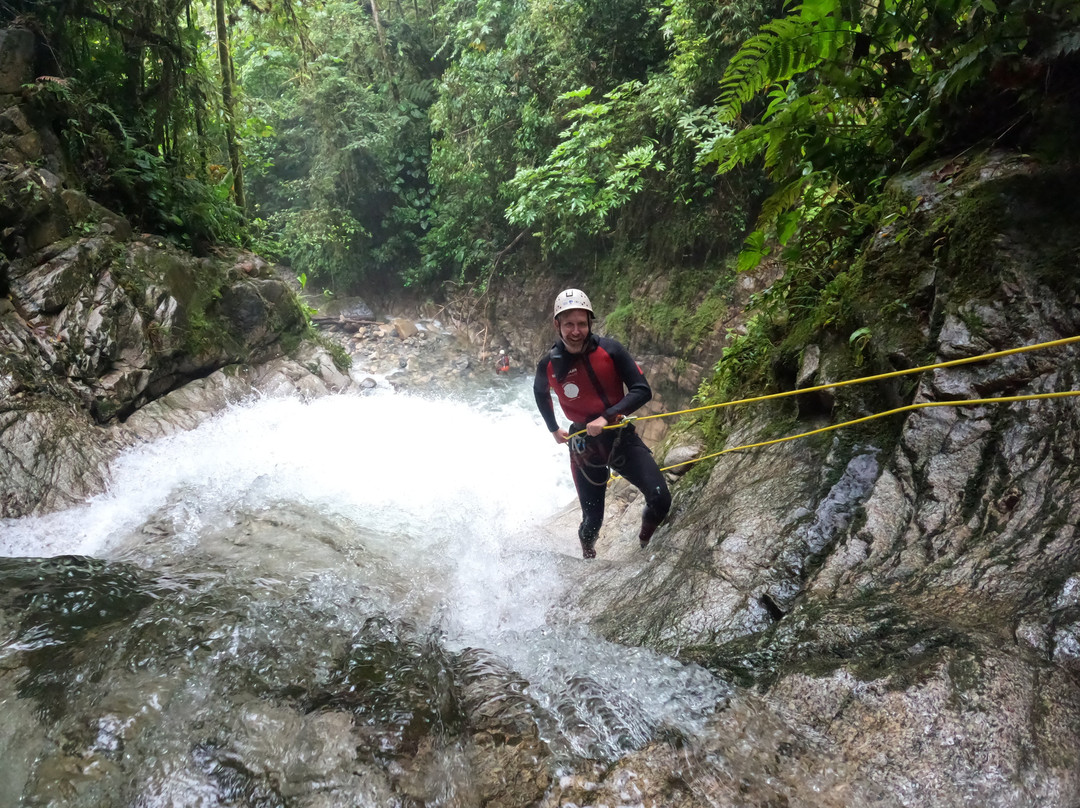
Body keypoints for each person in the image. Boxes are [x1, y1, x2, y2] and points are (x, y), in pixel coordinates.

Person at [534, 288, 671, 559]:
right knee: (592, 521)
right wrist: (553, 428)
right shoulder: (548, 364)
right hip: (584, 445)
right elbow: (540, 392)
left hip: (618, 435)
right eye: (569, 324)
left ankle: (645, 543)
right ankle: (588, 554)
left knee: (660, 497)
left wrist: (607, 416)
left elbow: (642, 389)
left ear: (590, 323)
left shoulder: (611, 350)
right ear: (557, 325)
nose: (576, 331)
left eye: (582, 324)